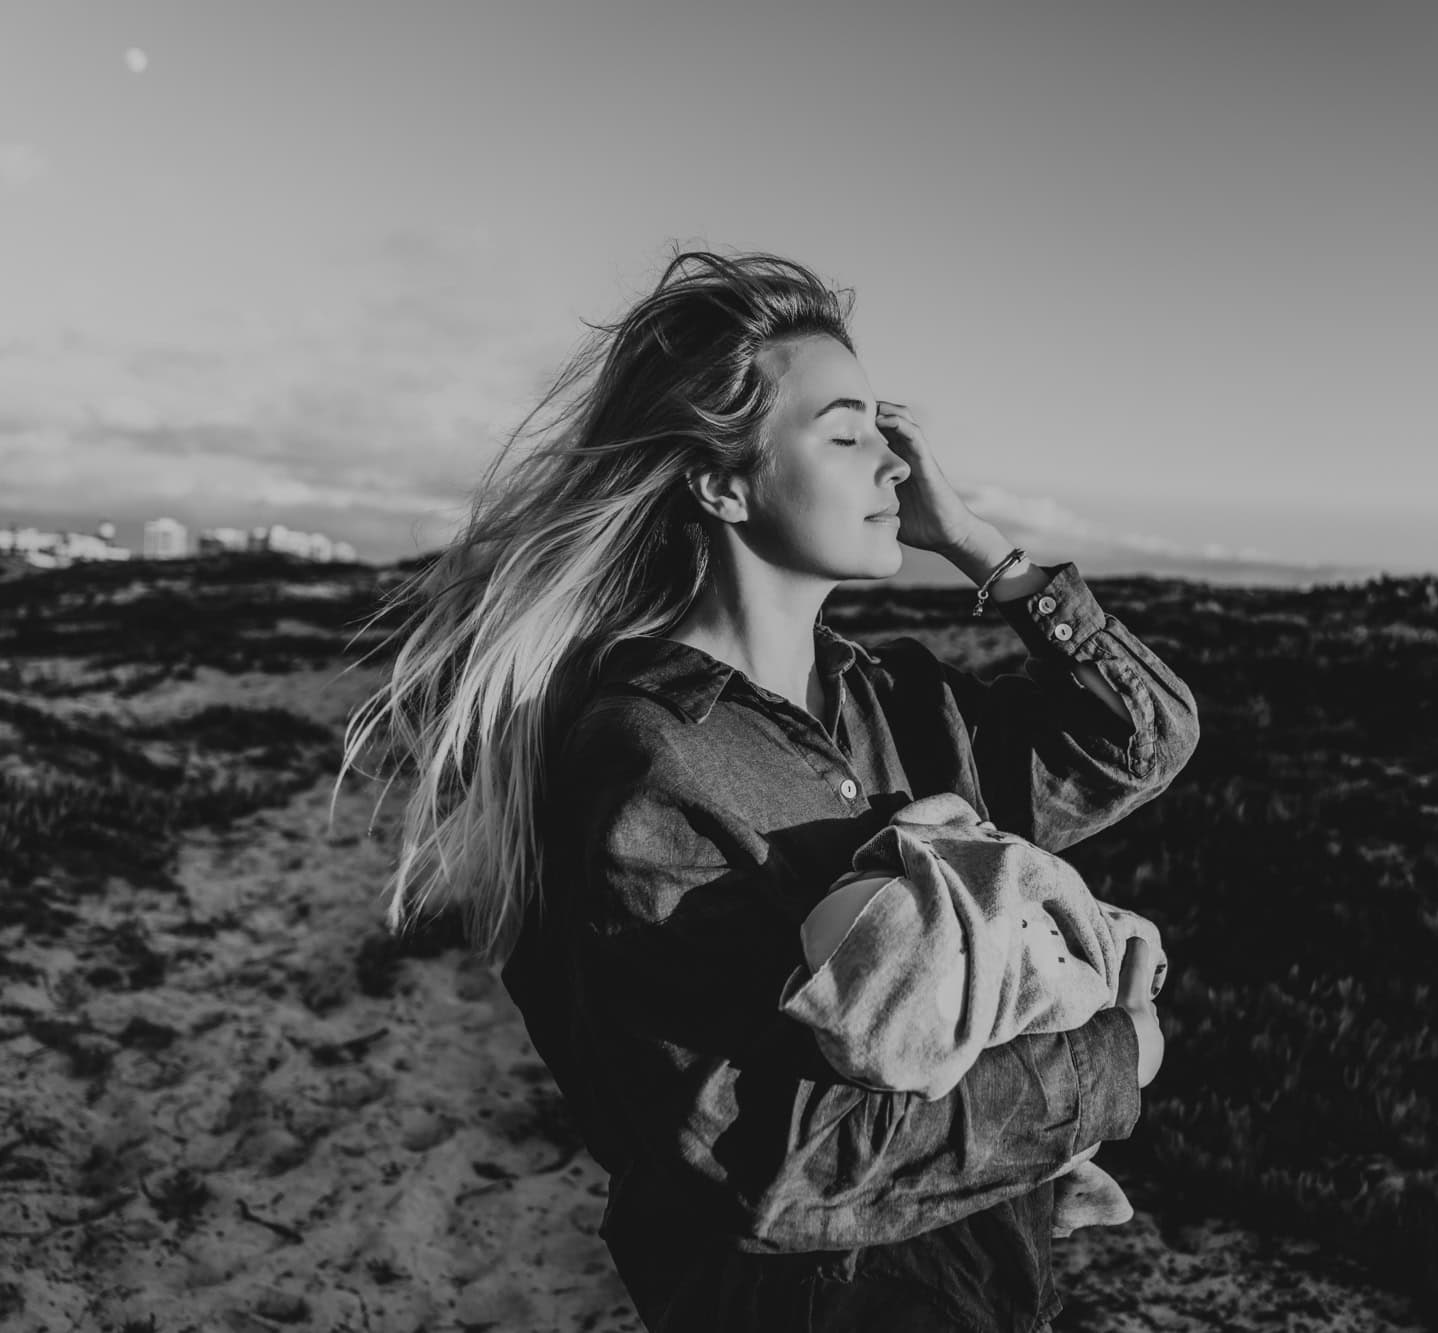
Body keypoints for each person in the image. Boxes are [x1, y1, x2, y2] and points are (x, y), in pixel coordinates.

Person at [335, 249, 1200, 1332]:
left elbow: (1142, 736)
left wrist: (983, 552)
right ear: (719, 481)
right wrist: (1106, 1063)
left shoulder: (897, 705)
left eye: (882, 429)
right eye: (843, 434)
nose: (890, 463)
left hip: (984, 1283)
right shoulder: (651, 764)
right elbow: (771, 1158)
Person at [784, 791, 1174, 1241]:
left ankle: (1071, 1177)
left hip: (971, 899)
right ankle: (1071, 1174)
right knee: (1054, 1003)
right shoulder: (938, 1006)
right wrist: (1122, 1053)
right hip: (1018, 979)